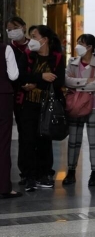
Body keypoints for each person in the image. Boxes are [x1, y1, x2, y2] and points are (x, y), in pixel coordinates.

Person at [17, 25, 65, 191]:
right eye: (31, 36)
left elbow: (58, 81)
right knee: (28, 140)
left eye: (34, 36)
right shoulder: (28, 55)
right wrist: (41, 77)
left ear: (44, 40)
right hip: (28, 104)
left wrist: (35, 83)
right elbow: (20, 76)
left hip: (47, 105)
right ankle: (29, 176)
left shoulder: (57, 57)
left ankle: (44, 174)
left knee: (45, 138)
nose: (31, 40)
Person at [63, 34, 95, 187]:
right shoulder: (72, 62)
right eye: (78, 42)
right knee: (73, 140)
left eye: (81, 43)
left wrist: (76, 85)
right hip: (75, 106)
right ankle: (71, 171)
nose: (78, 46)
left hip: (94, 106)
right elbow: (66, 80)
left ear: (90, 47)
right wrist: (86, 82)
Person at [6, 16, 30, 185]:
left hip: (35, 94)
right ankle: (24, 170)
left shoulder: (33, 46)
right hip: (16, 96)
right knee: (23, 134)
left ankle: (40, 170)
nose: (12, 31)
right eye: (9, 29)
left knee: (37, 134)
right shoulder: (8, 49)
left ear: (23, 27)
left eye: (15, 27)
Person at [0, 41, 21, 198]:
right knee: (3, 143)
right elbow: (13, 75)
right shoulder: (5, 48)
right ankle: (4, 187)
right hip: (3, 97)